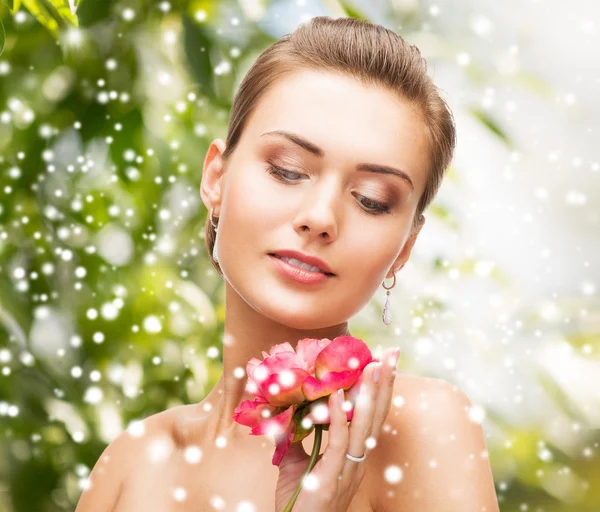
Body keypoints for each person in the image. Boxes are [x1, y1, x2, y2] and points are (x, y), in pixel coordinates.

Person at [76, 16, 499, 512]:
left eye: (371, 199)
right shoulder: (135, 459)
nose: (320, 218)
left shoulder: (418, 427)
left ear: (404, 248)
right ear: (216, 177)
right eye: (288, 170)